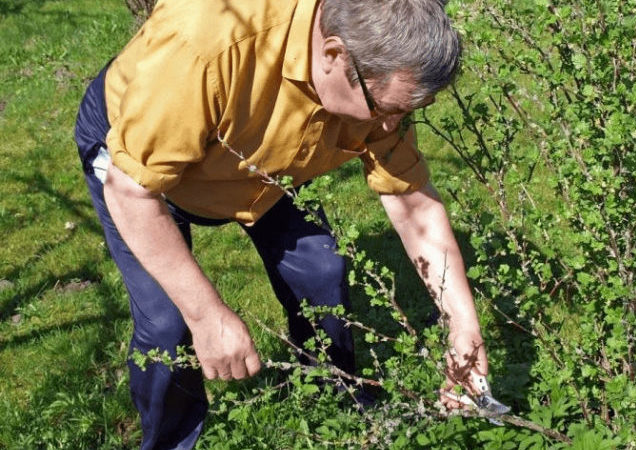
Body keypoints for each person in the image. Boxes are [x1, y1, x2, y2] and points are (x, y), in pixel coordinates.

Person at [74, 0, 489, 447]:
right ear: (333, 55)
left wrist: (463, 327)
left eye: (407, 111)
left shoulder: (376, 73)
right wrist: (207, 315)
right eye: (386, 108)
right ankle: (170, 441)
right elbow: (131, 190)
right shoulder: (204, 43)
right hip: (140, 161)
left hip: (264, 157)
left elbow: (413, 204)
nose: (391, 125)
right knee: (168, 325)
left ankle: (334, 404)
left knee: (322, 270)